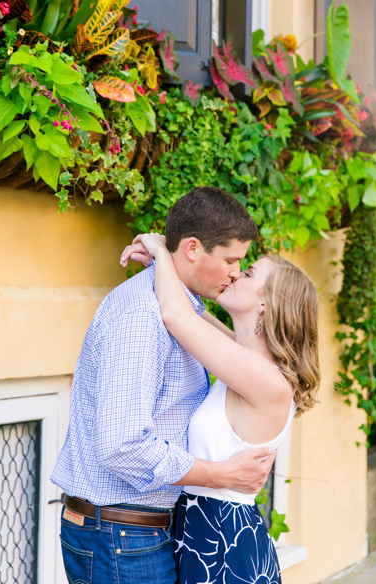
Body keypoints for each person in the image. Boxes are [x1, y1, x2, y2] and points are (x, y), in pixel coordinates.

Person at [50, 187, 276, 584]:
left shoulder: (181, 310)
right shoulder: (143, 317)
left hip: (133, 534)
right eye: (230, 260)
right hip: (121, 537)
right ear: (192, 248)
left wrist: (159, 253)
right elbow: (123, 444)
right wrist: (219, 474)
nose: (236, 272)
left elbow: (236, 353)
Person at [120, 231, 320, 584]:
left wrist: (162, 252)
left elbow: (177, 317)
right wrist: (173, 268)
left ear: (266, 304)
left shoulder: (268, 382)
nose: (236, 273)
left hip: (225, 539)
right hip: (201, 525)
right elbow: (192, 314)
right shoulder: (243, 360)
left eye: (249, 273)